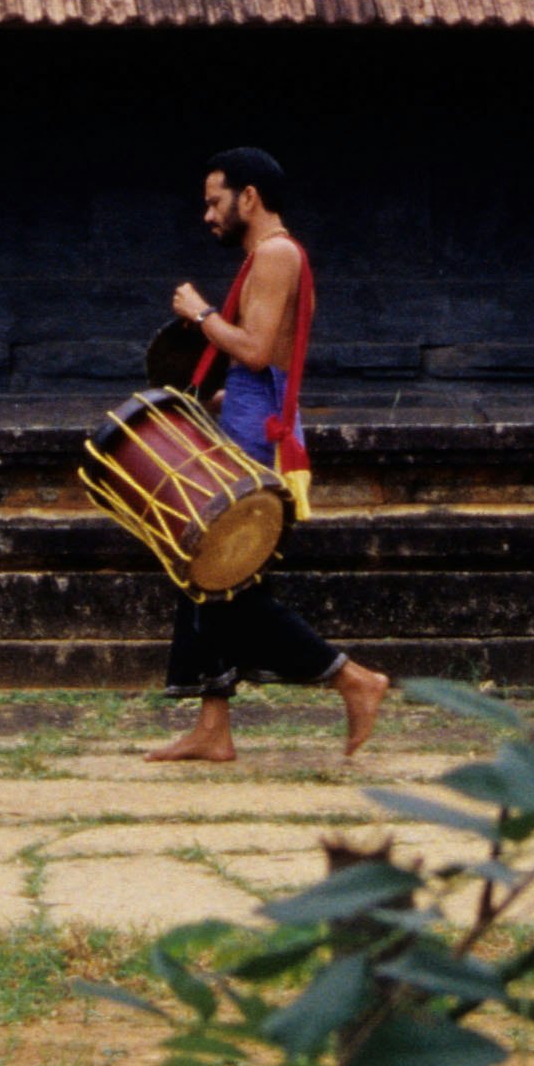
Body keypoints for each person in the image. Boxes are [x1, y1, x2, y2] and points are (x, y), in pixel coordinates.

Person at [149, 147, 390, 766]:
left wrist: (200, 314)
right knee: (198, 568)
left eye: (214, 200)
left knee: (223, 578)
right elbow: (264, 361)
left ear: (248, 197)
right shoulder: (268, 255)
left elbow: (256, 350)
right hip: (251, 413)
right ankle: (212, 727)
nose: (208, 215)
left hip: (259, 433)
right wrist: (232, 392)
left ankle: (351, 679)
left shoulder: (277, 253)